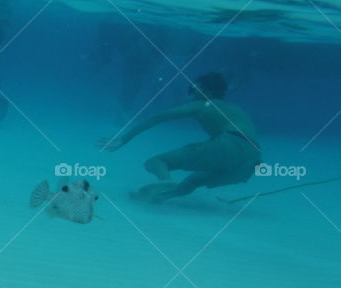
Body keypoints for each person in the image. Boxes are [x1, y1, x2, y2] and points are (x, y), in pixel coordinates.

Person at [97, 72, 262, 202]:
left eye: (193, 90)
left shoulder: (203, 104)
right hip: (253, 160)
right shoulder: (237, 110)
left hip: (229, 144)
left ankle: (165, 180)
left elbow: (158, 117)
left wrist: (123, 139)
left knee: (156, 162)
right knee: (195, 180)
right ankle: (160, 197)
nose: (190, 96)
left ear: (206, 91)